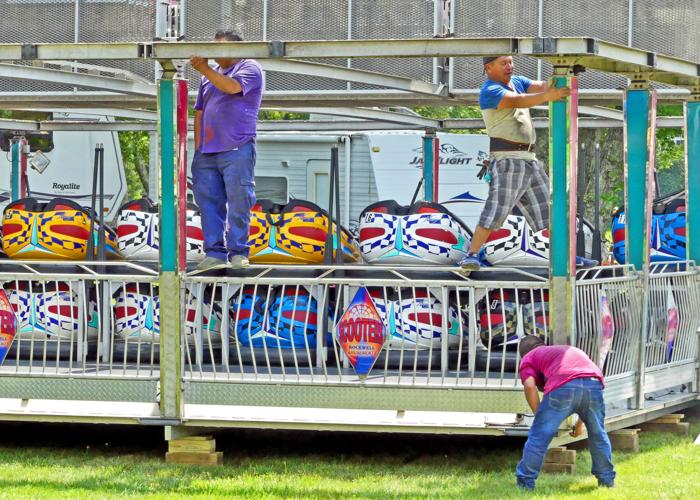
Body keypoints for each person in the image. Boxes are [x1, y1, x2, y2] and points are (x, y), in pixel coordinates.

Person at [459, 56, 597, 272]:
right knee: (495, 210)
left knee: (553, 211)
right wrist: (548, 95)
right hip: (507, 160)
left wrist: (565, 75)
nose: (509, 66)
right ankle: (472, 255)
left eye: (511, 62)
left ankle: (569, 257)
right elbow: (519, 101)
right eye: (503, 63)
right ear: (488, 68)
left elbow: (543, 85)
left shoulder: (517, 81)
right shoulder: (490, 90)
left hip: (529, 161)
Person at [189, 29, 264, 271]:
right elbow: (199, 110)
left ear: (235, 49)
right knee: (208, 202)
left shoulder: (249, 68)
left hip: (237, 147)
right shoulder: (208, 78)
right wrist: (199, 146)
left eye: (219, 48)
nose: (214, 54)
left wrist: (204, 69)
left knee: (239, 199)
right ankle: (214, 253)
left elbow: (232, 88)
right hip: (207, 152)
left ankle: (239, 252)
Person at [515, 335, 616, 490]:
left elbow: (529, 386)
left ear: (524, 352)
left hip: (564, 386)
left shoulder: (529, 357)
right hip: (594, 385)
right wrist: (580, 424)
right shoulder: (563, 351)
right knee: (598, 434)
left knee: (539, 437)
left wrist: (539, 414)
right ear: (543, 344)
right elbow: (583, 385)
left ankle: (525, 483)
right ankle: (607, 481)